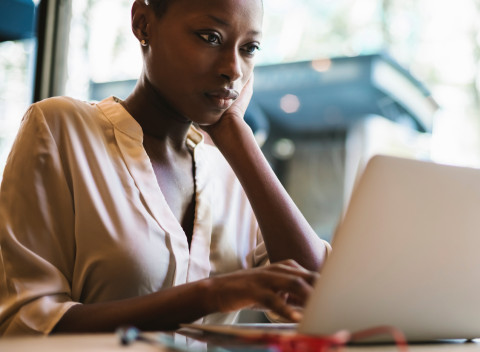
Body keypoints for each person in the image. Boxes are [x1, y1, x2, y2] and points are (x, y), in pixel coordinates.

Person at [0, 0, 330, 335]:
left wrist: (238, 139)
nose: (234, 69)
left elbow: (315, 299)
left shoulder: (232, 174)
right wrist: (211, 294)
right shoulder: (62, 128)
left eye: (249, 48)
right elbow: (25, 322)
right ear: (143, 24)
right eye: (210, 37)